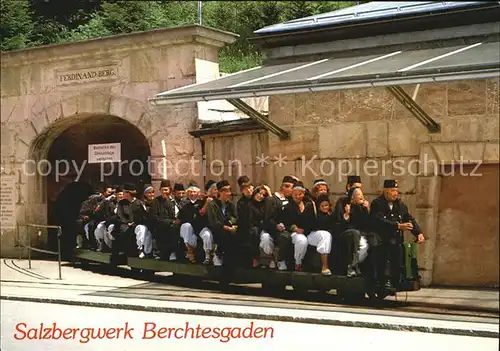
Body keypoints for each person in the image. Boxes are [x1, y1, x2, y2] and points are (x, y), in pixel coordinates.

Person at [370, 179, 425, 289]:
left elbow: (409, 219)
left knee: (405, 250)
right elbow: (379, 221)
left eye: (396, 191)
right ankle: (385, 279)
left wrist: (418, 233)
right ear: (385, 191)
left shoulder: (400, 205)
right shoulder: (377, 203)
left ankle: (403, 277)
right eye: (392, 191)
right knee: (388, 249)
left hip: (396, 239)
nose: (395, 193)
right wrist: (398, 226)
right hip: (380, 238)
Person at [281, 181, 332, 275]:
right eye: (295, 194)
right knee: (302, 240)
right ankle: (298, 263)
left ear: (303, 194)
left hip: (309, 231)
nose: (297, 196)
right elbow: (286, 222)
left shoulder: (309, 204)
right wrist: (294, 228)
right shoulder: (288, 206)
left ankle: (325, 266)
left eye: (300, 194)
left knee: (326, 235)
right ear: (292, 194)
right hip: (296, 232)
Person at [263, 175, 296, 271]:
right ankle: (280, 260)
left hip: (289, 227)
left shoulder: (290, 199)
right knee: (285, 237)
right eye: (291, 188)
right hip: (276, 230)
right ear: (285, 187)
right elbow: (267, 219)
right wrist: (276, 226)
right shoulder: (271, 200)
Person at [109, 183, 151, 258]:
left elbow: (143, 216)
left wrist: (134, 223)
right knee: (121, 230)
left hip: (135, 225)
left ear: (129, 193)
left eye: (124, 192)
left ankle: (140, 249)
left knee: (141, 229)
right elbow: (120, 215)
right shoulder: (121, 203)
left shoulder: (139, 203)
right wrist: (127, 223)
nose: (123, 194)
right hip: (124, 225)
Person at [206, 180, 238, 267]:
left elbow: (235, 218)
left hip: (229, 230)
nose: (228, 193)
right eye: (226, 191)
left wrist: (230, 223)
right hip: (217, 231)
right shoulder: (212, 204)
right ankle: (217, 254)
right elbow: (214, 222)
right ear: (220, 192)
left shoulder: (231, 205)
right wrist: (227, 226)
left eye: (229, 190)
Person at [150, 179, 178, 261]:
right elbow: (154, 218)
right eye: (163, 190)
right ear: (160, 190)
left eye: (166, 190)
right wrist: (170, 222)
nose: (165, 192)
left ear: (170, 190)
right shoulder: (155, 201)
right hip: (160, 227)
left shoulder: (173, 201)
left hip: (173, 225)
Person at [248, 185, 274, 268]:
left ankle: (271, 258)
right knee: (253, 232)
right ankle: (255, 259)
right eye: (260, 193)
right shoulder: (249, 204)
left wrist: (269, 194)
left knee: (266, 237)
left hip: (264, 227)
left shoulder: (265, 204)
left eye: (264, 195)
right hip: (253, 227)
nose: (261, 196)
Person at [178, 182, 203, 263]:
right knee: (186, 226)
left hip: (196, 230)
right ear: (187, 193)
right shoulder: (183, 203)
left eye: (194, 191)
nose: (192, 193)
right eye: (190, 191)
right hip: (185, 230)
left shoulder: (201, 203)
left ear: (198, 193)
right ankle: (190, 251)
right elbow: (182, 217)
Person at [198, 180, 218, 265]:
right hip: (205, 226)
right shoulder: (203, 201)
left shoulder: (219, 201)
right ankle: (207, 256)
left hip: (216, 226)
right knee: (207, 235)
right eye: (214, 189)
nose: (216, 191)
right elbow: (201, 213)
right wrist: (207, 203)